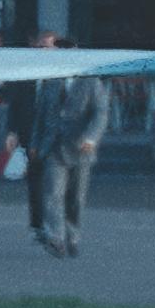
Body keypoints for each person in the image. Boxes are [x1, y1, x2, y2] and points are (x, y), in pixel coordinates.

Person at [29, 39, 111, 258]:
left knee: (75, 198)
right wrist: (35, 143)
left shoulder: (91, 81)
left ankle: (73, 234)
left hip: (80, 148)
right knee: (52, 194)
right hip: (53, 146)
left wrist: (91, 138)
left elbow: (100, 113)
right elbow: (41, 114)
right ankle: (56, 237)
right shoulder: (51, 81)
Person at [2, 30, 57, 242]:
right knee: (35, 181)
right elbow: (14, 105)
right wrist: (11, 132)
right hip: (28, 132)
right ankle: (38, 224)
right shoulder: (25, 73)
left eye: (48, 46)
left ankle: (53, 223)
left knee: (52, 180)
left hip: (52, 135)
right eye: (40, 46)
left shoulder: (60, 74)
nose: (43, 50)